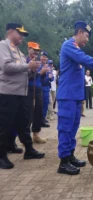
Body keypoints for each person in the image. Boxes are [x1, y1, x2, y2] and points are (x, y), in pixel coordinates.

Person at [56, 21, 93, 175]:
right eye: (86, 36)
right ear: (79, 32)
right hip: (67, 96)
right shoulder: (69, 45)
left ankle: (70, 155)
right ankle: (63, 162)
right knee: (65, 128)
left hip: (75, 96)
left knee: (73, 127)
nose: (87, 40)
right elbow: (85, 59)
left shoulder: (77, 49)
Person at [0, 23, 45, 169]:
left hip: (20, 93)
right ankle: (1, 156)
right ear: (11, 31)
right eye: (20, 34)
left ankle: (29, 149)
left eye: (23, 35)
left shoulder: (18, 51)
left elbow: (23, 72)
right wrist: (28, 66)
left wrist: (33, 70)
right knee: (5, 125)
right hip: (8, 93)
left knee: (23, 122)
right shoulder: (3, 46)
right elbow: (6, 67)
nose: (22, 37)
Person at [27, 43, 48, 143]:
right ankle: (26, 137)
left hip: (39, 89)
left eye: (37, 50)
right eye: (34, 50)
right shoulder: (25, 61)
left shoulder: (39, 63)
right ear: (28, 49)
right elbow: (26, 77)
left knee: (38, 112)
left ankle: (36, 134)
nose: (36, 52)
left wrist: (44, 73)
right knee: (28, 113)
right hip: (28, 89)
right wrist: (40, 73)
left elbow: (43, 80)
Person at [40, 51, 53, 127]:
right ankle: (38, 119)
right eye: (43, 57)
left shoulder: (49, 67)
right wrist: (48, 77)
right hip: (40, 86)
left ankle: (43, 119)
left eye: (45, 57)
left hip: (46, 87)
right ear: (40, 57)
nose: (44, 58)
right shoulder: (38, 65)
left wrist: (50, 77)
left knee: (45, 104)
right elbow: (38, 76)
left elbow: (52, 78)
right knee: (39, 105)